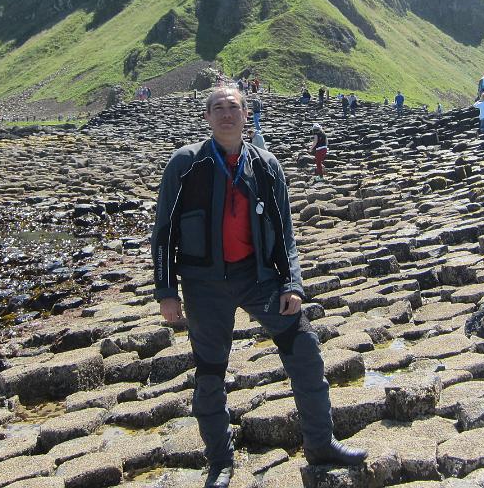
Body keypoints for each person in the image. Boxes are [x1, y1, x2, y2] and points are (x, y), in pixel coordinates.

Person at [153, 88, 365, 487]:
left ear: (246, 114)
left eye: (233, 107)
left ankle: (320, 443)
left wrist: (292, 284)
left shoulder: (266, 166)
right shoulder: (184, 164)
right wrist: (166, 291)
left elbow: (284, 233)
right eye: (218, 108)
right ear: (208, 117)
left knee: (304, 348)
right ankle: (220, 462)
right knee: (211, 373)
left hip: (258, 278)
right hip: (204, 284)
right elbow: (163, 232)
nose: (226, 114)